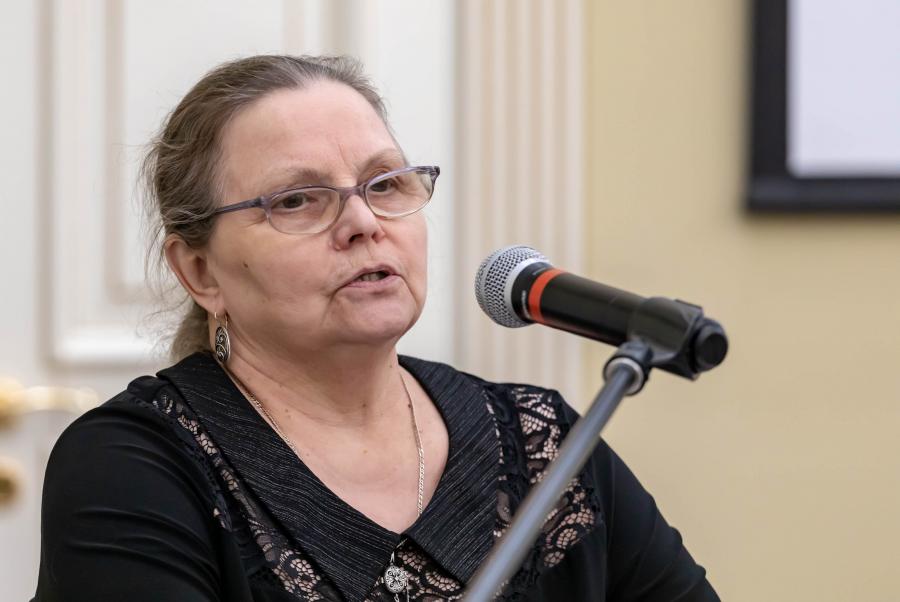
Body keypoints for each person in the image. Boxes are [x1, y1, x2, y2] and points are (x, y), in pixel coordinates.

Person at [32, 55, 719, 602]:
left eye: (385, 184)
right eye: (297, 200)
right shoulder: (131, 467)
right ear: (200, 271)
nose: (363, 222)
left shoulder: (544, 444)